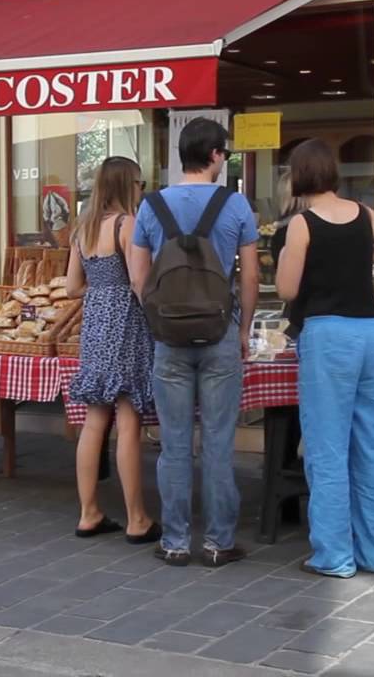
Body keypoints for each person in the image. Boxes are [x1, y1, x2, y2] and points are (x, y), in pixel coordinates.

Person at [275, 140, 374, 578]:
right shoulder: (363, 214)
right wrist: (359, 254)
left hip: (327, 335)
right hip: (369, 332)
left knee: (327, 448)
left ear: (300, 175)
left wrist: (296, 255)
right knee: (370, 442)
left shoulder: (302, 224)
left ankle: (334, 555)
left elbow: (287, 289)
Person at [129, 117, 260, 568]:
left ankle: (176, 541)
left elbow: (138, 277)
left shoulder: (151, 206)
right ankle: (219, 542)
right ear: (215, 155)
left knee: (174, 443)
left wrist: (159, 319)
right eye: (225, 152)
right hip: (220, 333)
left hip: (168, 337)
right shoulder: (236, 205)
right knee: (219, 442)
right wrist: (243, 330)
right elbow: (250, 277)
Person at [65, 156, 159, 544]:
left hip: (95, 325)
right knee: (129, 421)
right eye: (139, 183)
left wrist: (102, 291)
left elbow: (71, 287)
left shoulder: (83, 228)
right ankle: (137, 519)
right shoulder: (127, 224)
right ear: (127, 185)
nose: (142, 189)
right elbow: (138, 281)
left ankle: (88, 512)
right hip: (126, 324)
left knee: (94, 421)